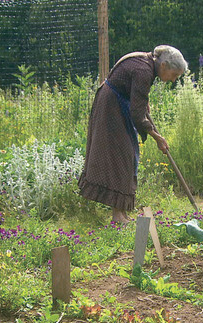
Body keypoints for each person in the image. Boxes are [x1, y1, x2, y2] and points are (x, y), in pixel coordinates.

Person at [78, 45, 188, 223]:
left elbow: (136, 95)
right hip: (111, 108)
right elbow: (137, 114)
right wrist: (157, 137)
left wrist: (143, 102)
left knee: (127, 156)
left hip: (117, 103)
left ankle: (121, 213)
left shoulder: (147, 64)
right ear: (164, 66)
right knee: (124, 156)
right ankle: (117, 215)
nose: (174, 80)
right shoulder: (143, 70)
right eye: (174, 75)